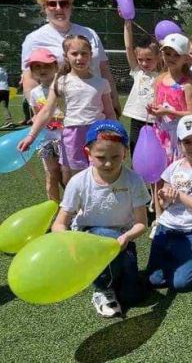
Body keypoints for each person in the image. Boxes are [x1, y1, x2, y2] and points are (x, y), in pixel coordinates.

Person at [52, 120, 150, 318]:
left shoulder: (133, 180)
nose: (108, 163)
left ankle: (113, 277)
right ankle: (102, 289)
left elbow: (142, 224)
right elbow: (59, 223)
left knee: (133, 296)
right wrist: (71, 243)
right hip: (89, 237)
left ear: (125, 153)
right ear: (88, 153)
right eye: (100, 157)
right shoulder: (78, 181)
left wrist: (127, 237)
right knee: (104, 235)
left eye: (115, 157)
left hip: (122, 239)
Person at [18, 35, 116, 181]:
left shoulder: (101, 83)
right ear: (66, 56)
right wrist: (31, 136)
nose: (79, 57)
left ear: (90, 55)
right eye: (74, 53)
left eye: (84, 53)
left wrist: (116, 133)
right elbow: (46, 111)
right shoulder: (60, 82)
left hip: (98, 133)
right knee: (77, 177)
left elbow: (109, 112)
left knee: (99, 174)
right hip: (72, 135)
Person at [20, 0, 121, 115]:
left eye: (63, 3)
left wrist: (114, 100)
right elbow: (29, 79)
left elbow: (104, 70)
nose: (58, 8)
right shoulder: (33, 39)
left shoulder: (90, 33)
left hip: (97, 106)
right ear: (44, 8)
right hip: (59, 111)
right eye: (52, 4)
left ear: (70, 7)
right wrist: (40, 112)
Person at [147, 115, 192, 292]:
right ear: (179, 144)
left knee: (181, 284)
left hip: (191, 230)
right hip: (166, 227)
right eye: (187, 142)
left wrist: (179, 195)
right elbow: (163, 202)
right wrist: (164, 196)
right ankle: (179, 261)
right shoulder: (174, 167)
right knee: (154, 280)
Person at [147, 33, 192, 164]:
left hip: (178, 134)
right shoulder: (159, 79)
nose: (171, 58)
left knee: (175, 167)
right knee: (158, 165)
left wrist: (168, 112)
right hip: (160, 132)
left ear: (185, 58)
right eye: (168, 54)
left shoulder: (187, 84)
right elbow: (157, 105)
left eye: (176, 55)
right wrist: (153, 109)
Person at [26, 49, 65, 201]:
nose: (42, 70)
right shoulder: (35, 93)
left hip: (65, 138)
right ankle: (53, 208)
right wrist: (35, 119)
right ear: (32, 71)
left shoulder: (63, 87)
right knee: (51, 175)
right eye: (37, 67)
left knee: (67, 175)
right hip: (46, 140)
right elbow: (37, 115)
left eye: (46, 66)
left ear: (55, 67)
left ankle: (73, 208)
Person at [122, 20, 161, 156]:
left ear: (158, 57)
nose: (144, 63)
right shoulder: (137, 71)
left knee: (155, 153)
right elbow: (128, 47)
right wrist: (127, 24)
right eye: (140, 59)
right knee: (136, 151)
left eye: (149, 59)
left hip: (157, 121)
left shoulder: (163, 75)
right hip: (137, 119)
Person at [0, 53, 14, 129]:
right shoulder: (4, 69)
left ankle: (9, 121)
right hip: (6, 89)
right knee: (5, 106)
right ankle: (9, 121)